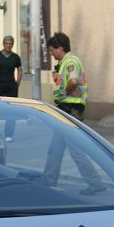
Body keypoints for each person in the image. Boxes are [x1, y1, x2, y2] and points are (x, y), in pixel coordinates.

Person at [42, 32, 104, 194]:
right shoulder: (65, 62)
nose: (51, 53)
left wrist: (64, 93)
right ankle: (49, 180)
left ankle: (95, 183)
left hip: (71, 109)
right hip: (66, 109)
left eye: (52, 50)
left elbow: (73, 81)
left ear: (60, 48)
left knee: (76, 149)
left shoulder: (71, 61)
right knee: (55, 148)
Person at [0, 35, 22, 141]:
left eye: (10, 43)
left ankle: (9, 134)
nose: (8, 45)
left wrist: (17, 83)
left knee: (11, 111)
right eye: (7, 43)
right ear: (3, 44)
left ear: (13, 44)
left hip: (11, 86)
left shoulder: (15, 57)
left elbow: (20, 70)